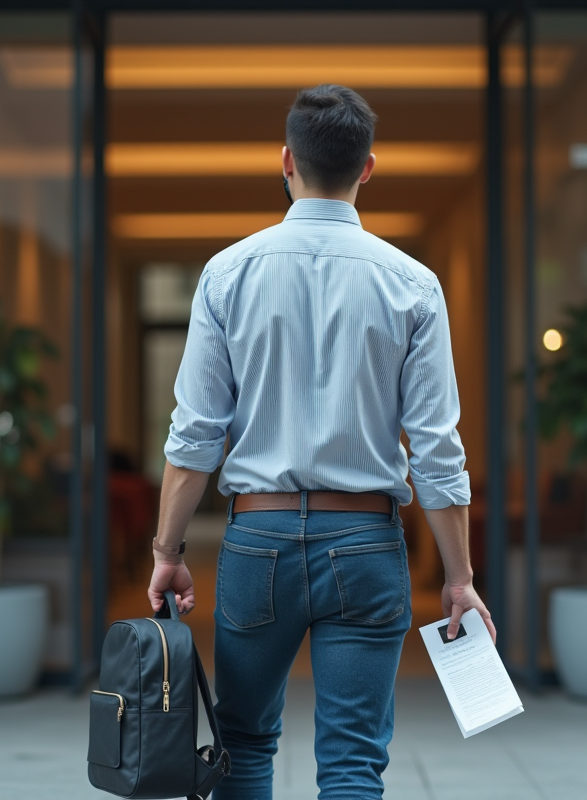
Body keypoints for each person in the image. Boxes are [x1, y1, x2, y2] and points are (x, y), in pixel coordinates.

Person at [148, 83, 495, 800]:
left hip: (258, 542)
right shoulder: (414, 284)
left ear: (286, 161)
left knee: (243, 744)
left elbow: (194, 437)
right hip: (366, 544)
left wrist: (166, 552)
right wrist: (458, 577)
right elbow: (437, 449)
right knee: (353, 761)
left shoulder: (227, 274)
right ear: (368, 167)